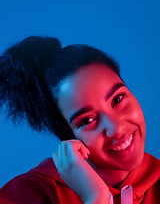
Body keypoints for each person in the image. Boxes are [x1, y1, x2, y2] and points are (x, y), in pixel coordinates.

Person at [0, 36, 159, 204]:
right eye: (87, 120)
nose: (116, 129)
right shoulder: (24, 196)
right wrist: (96, 199)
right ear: (66, 134)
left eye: (118, 99)